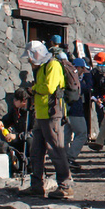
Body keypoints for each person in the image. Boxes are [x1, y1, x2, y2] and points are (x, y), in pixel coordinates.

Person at [20, 41, 73, 199]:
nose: (29, 60)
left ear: (36, 54)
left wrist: (33, 89)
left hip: (51, 114)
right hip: (42, 114)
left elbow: (49, 88)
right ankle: (36, 185)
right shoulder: (44, 66)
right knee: (37, 152)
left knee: (56, 150)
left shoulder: (52, 65)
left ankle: (65, 185)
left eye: (30, 56)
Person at [64, 58, 93, 171]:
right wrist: (88, 77)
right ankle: (70, 157)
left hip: (65, 110)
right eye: (83, 68)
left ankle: (63, 158)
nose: (84, 71)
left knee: (66, 135)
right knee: (82, 133)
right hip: (76, 111)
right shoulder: (75, 80)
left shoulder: (65, 77)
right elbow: (87, 88)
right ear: (78, 68)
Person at [0, 88, 31, 172]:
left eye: (16, 99)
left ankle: (30, 166)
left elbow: (33, 132)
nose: (13, 101)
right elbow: (7, 120)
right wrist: (0, 122)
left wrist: (16, 136)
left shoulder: (31, 112)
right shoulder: (15, 110)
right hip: (18, 138)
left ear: (23, 101)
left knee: (30, 141)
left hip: (28, 139)